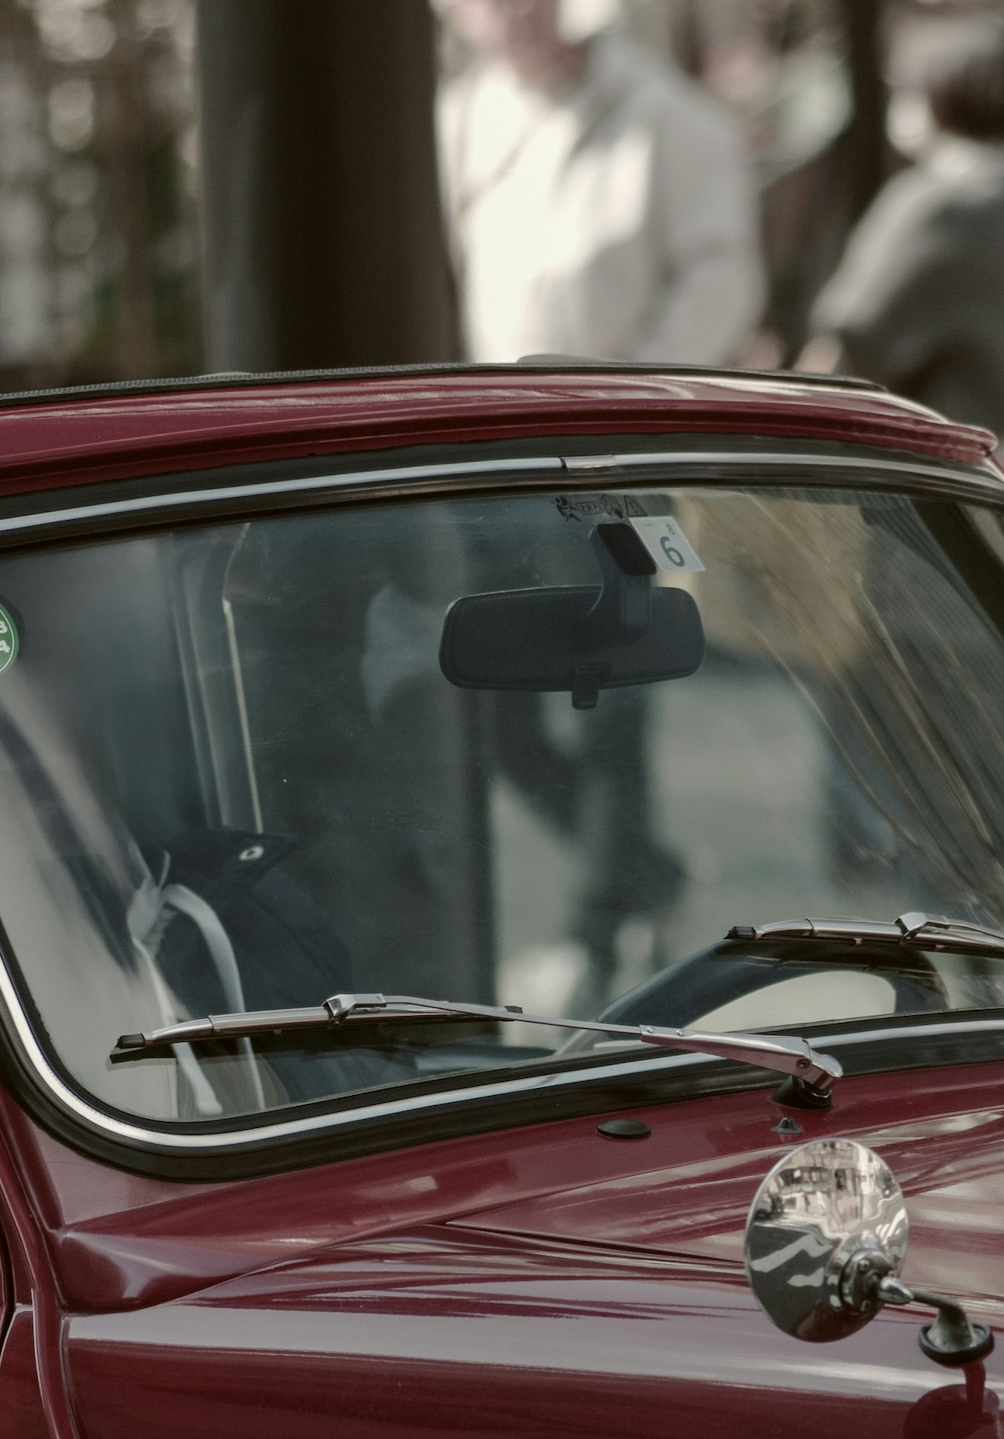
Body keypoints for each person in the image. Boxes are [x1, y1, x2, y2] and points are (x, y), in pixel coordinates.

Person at [437, 0, 765, 1003]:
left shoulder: (674, 121)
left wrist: (629, 402)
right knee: (495, 713)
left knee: (617, 709)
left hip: (622, 466)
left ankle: (596, 929)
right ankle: (636, 873)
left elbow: (722, 284)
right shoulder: (462, 117)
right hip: (500, 461)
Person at [805, 19, 1004, 588]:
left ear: (939, 92)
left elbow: (847, 341)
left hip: (950, 514)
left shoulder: (937, 203)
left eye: (903, 87)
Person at [436, 0, 766, 367]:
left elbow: (719, 282)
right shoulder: (457, 126)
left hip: (630, 412)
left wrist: (639, 395)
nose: (520, 8)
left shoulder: (667, 116)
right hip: (500, 411)